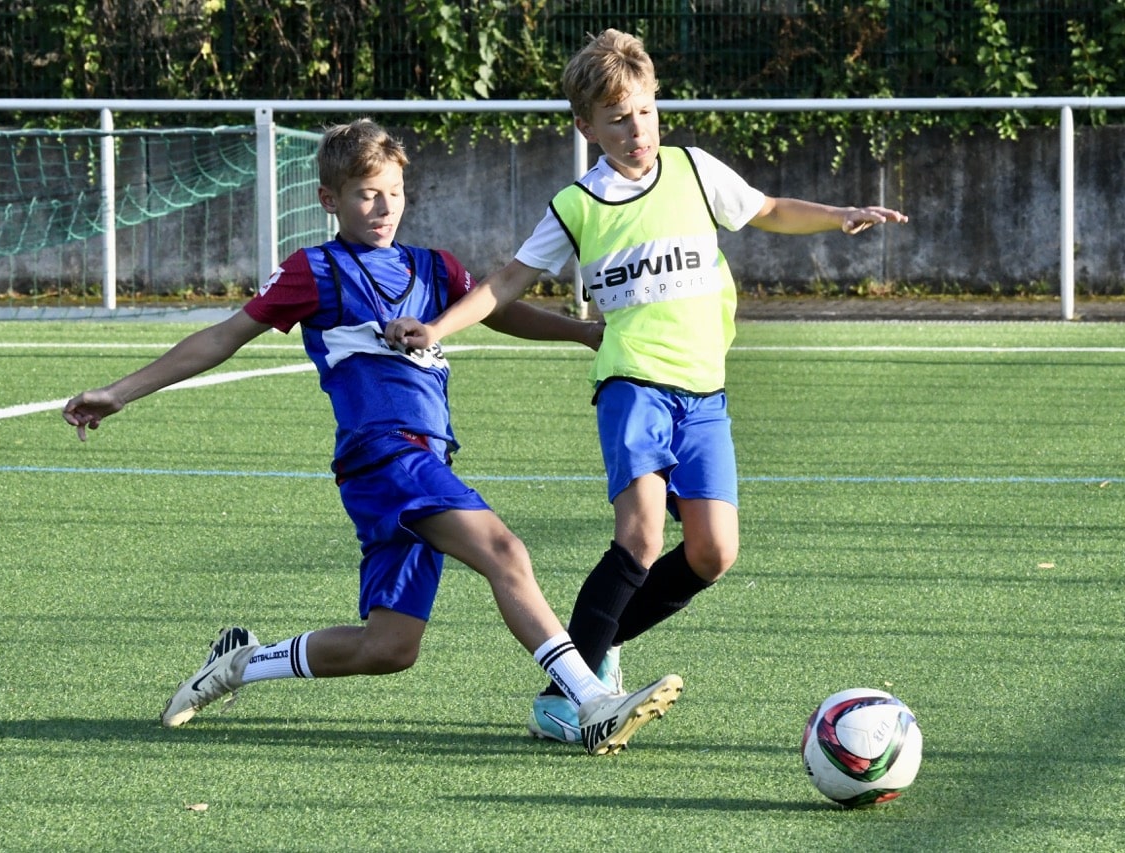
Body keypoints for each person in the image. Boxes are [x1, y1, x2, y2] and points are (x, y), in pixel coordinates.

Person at [62, 118, 681, 756]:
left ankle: (241, 663)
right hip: (384, 454)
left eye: (393, 191)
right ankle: (590, 700)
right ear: (330, 201)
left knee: (389, 648)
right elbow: (221, 337)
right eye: (365, 194)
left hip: (422, 458)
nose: (383, 207)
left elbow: (499, 308)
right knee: (504, 550)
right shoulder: (315, 272)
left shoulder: (434, 267)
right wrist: (120, 392)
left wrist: (580, 332)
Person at [384, 29, 908, 744]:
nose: (637, 130)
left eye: (645, 111)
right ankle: (566, 700)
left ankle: (580, 665)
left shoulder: (694, 171)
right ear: (586, 127)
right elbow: (507, 282)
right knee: (640, 534)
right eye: (617, 118)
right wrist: (439, 326)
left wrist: (838, 214)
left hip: (706, 393)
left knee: (713, 553)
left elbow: (767, 208)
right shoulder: (579, 204)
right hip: (633, 383)